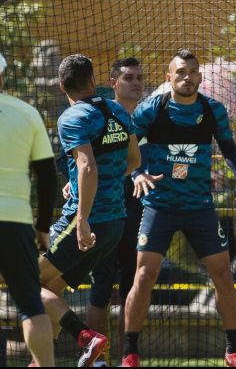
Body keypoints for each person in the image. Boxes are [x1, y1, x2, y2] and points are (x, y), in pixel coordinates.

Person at [122, 49, 236, 368]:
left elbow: (229, 148)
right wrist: (137, 172)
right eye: (180, 72)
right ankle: (130, 353)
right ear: (169, 78)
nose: (186, 77)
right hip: (159, 207)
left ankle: (234, 350)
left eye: (192, 72)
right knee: (145, 274)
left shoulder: (213, 110)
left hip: (199, 207)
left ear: (200, 77)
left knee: (223, 274)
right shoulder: (152, 109)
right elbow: (128, 145)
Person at [38, 54, 140, 367]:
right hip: (115, 222)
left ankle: (87, 337)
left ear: (60, 86)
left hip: (87, 221)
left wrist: (81, 219)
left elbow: (86, 165)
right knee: (52, 289)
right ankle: (42, 361)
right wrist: (95, 183)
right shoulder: (117, 110)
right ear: (94, 81)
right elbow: (134, 161)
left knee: (26, 282)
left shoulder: (72, 117)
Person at [80, 58, 145, 366]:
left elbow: (141, 161)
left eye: (139, 78)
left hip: (139, 213)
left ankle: (126, 359)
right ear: (114, 82)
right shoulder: (99, 116)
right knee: (101, 288)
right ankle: (97, 361)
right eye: (129, 77)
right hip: (104, 212)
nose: (136, 82)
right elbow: (83, 161)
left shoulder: (147, 118)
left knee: (133, 287)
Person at [0, 51, 56, 367]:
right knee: (30, 304)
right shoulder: (27, 112)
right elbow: (47, 177)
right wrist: (43, 227)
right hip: (16, 223)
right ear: (2, 76)